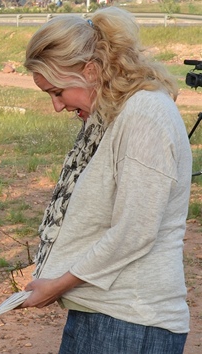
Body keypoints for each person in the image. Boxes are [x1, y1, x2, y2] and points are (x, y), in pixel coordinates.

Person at [21, 7, 191, 354]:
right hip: (104, 313)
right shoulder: (115, 115)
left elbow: (133, 232)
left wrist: (57, 285)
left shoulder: (144, 117)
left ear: (91, 70)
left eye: (58, 91)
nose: (57, 106)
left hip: (131, 322)